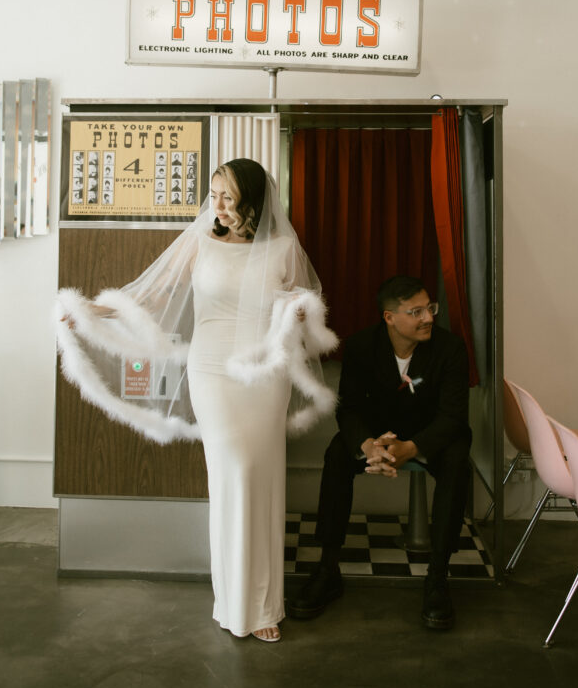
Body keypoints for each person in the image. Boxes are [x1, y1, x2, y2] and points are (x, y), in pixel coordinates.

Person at [56, 158, 337, 644]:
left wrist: (293, 316)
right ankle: (232, 600)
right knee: (232, 474)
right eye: (214, 195)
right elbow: (156, 294)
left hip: (264, 374)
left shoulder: (285, 247)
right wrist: (91, 313)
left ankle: (264, 603)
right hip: (210, 370)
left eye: (228, 196)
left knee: (261, 475)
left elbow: (301, 306)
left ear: (253, 199)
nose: (219, 205)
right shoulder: (199, 242)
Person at [286, 274, 471, 631]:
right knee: (339, 453)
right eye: (415, 312)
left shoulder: (450, 349)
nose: (429, 318)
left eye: (429, 308)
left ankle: (437, 577)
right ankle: (327, 568)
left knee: (457, 461)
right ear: (389, 317)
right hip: (379, 436)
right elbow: (349, 408)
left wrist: (411, 448)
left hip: (431, 436)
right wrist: (369, 445)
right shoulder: (360, 346)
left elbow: (453, 416)